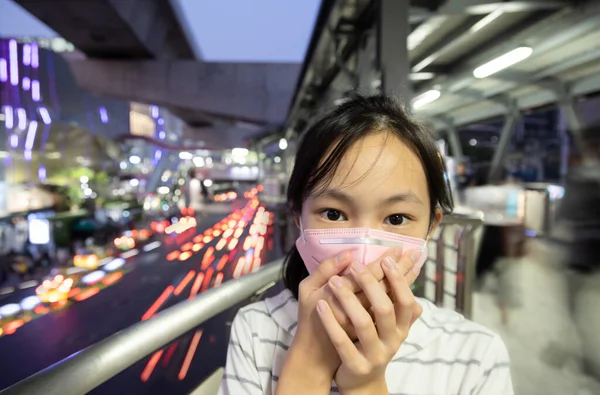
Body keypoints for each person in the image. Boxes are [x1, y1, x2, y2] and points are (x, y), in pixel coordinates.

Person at [218, 95, 513, 395]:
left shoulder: (476, 357)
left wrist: (366, 387)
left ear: (431, 227)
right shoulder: (255, 330)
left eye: (396, 218)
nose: (362, 253)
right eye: (333, 214)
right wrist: (309, 365)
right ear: (298, 217)